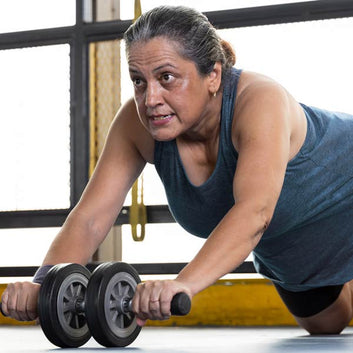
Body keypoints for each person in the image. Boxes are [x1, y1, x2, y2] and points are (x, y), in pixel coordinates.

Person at [2, 5, 353, 334]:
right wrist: (44, 284)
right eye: (138, 80)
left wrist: (182, 282)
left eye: (167, 77)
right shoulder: (137, 124)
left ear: (213, 74)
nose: (150, 97)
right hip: (291, 243)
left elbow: (255, 211)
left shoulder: (260, 100)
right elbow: (91, 218)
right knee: (326, 326)